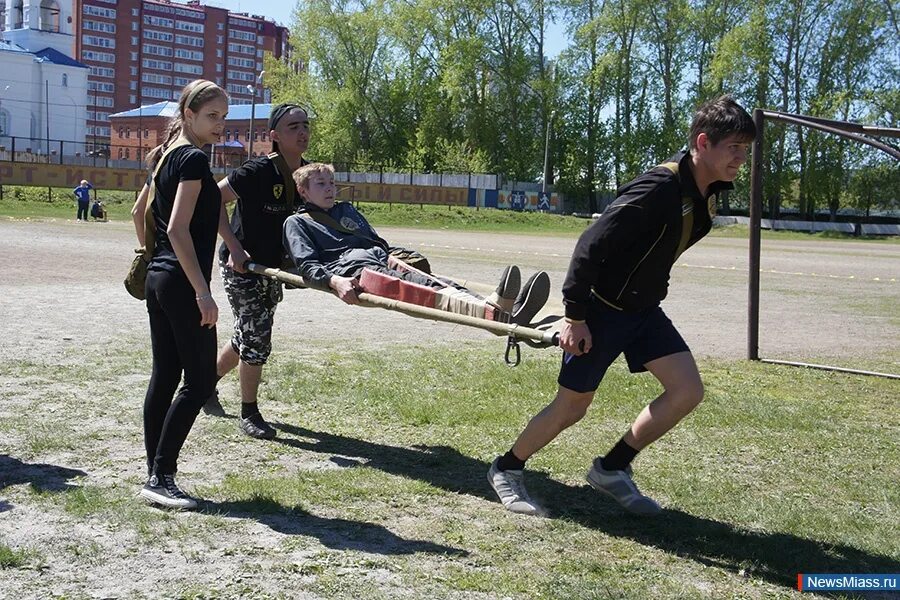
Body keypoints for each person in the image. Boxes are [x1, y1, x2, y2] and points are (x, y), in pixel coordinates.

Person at [488, 95, 756, 517]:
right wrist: (575, 317)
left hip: (644, 311)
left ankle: (611, 468)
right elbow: (590, 244)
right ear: (703, 143)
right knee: (571, 408)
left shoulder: (708, 190)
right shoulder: (659, 187)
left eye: (746, 150)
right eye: (734, 148)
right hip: (601, 309)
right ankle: (506, 468)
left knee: (687, 390)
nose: (742, 159)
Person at [130, 79, 230, 509]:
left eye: (223, 118)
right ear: (188, 114)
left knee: (166, 375)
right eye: (212, 117)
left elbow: (140, 214)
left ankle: (155, 469)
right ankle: (161, 476)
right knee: (201, 379)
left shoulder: (165, 155)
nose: (220, 126)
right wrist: (202, 292)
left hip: (161, 277)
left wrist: (157, 260)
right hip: (181, 282)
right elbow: (176, 228)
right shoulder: (190, 158)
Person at [283, 162, 550, 324]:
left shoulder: (347, 210)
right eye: (321, 184)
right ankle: (496, 315)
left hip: (379, 258)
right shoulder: (297, 223)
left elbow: (376, 241)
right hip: (354, 271)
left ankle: (500, 305)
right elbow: (308, 266)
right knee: (421, 291)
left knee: (432, 281)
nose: (330, 188)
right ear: (303, 191)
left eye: (331, 182)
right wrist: (334, 281)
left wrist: (394, 255)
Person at [206, 104, 311, 439]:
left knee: (246, 336)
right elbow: (212, 200)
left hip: (272, 270)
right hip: (242, 266)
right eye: (293, 126)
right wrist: (235, 247)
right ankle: (249, 413)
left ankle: (203, 383)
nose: (302, 131)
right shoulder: (256, 172)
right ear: (275, 136)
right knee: (257, 335)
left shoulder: (307, 175)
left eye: (305, 125)